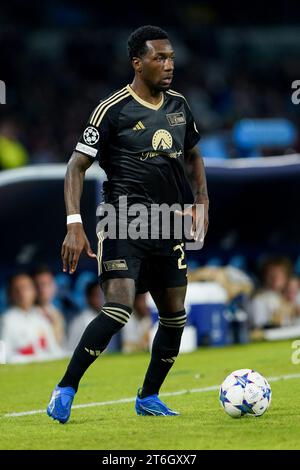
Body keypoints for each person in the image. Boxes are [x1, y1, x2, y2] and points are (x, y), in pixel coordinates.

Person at [47, 25, 209, 423]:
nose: (169, 65)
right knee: (118, 309)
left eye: (171, 57)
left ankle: (148, 396)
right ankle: (65, 388)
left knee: (174, 316)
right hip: (124, 222)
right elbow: (76, 165)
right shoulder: (112, 109)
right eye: (160, 58)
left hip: (168, 224)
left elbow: (193, 156)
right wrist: (74, 221)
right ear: (138, 62)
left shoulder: (179, 106)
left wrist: (202, 201)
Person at [0, 273, 62, 362]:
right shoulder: (6, 320)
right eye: (17, 289)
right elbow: (2, 357)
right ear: (10, 294)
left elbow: (54, 350)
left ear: (34, 291)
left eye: (26, 288)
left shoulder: (41, 316)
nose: (22, 293)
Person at [33, 266, 66, 347]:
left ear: (54, 286)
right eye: (37, 285)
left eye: (46, 284)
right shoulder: (25, 316)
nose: (41, 289)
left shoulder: (57, 314)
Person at [67, 281, 104, 351]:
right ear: (88, 298)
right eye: (97, 296)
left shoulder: (105, 318)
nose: (101, 300)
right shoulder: (83, 321)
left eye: (103, 295)